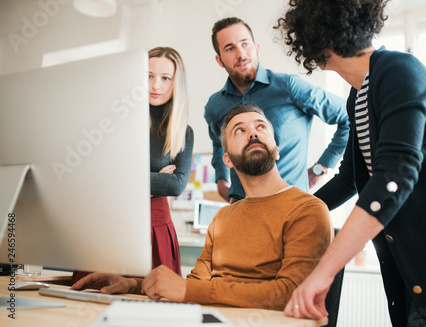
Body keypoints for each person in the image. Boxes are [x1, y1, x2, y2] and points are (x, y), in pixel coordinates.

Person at [275, 0, 426, 326]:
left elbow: (394, 175)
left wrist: (324, 271)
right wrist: (291, 215)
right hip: (421, 253)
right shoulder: (358, 95)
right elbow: (350, 180)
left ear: (315, 40)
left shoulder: (398, 70)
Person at [71, 104, 331, 311]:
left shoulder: (307, 210)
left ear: (276, 150)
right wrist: (132, 285)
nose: (253, 132)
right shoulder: (223, 217)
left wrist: (187, 291)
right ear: (226, 160)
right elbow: (196, 286)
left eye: (261, 127)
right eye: (239, 130)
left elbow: (291, 294)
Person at [71, 47, 193, 283]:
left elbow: (176, 185)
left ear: (176, 83)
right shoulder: (115, 122)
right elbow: (101, 175)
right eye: (148, 75)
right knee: (93, 293)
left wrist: (125, 178)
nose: (155, 85)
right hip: (112, 218)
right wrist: (154, 180)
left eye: (165, 78)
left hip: (155, 225)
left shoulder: (183, 132)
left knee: (154, 301)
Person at [205, 17, 350, 203]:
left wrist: (321, 167)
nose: (241, 54)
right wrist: (221, 179)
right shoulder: (214, 106)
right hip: (241, 208)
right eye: (230, 48)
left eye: (245, 44)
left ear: (256, 48)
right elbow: (218, 144)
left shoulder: (290, 87)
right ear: (219, 59)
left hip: (292, 205)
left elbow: (347, 117)